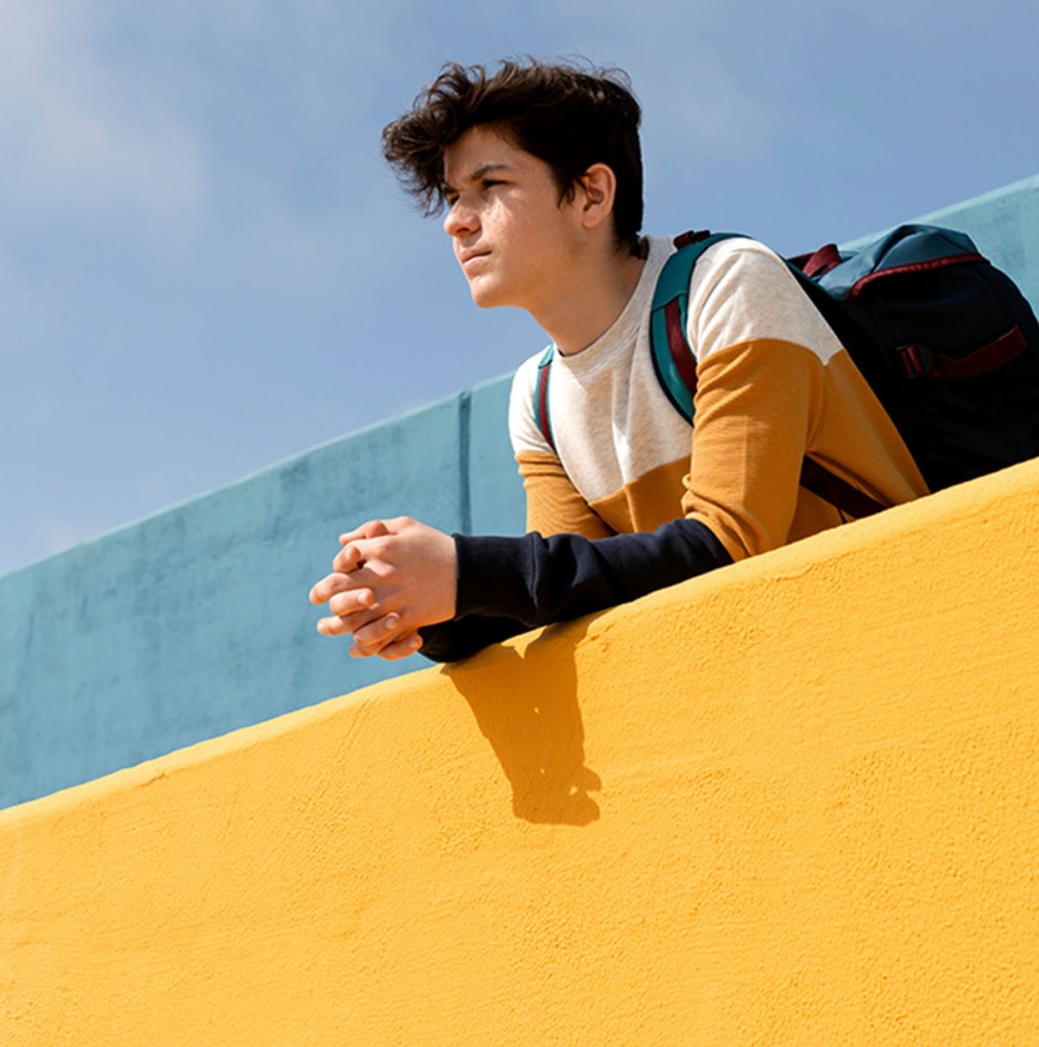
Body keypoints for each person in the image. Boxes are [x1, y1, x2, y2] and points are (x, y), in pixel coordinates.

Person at [309, 58, 928, 662]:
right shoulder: (537, 395)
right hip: (766, 671)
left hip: (896, 636)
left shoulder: (725, 284)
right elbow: (566, 593)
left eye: (490, 186)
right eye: (451, 196)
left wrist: (466, 572)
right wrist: (426, 611)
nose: (455, 223)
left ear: (591, 194)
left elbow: (731, 545)